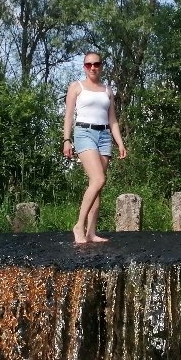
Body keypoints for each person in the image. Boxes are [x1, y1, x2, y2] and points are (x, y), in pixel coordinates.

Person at [63, 52, 127, 244]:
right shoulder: (76, 86)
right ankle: (79, 226)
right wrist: (66, 139)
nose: (93, 67)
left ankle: (91, 232)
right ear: (84, 66)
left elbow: (112, 120)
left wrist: (120, 142)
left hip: (105, 136)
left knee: (97, 186)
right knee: (98, 179)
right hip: (84, 133)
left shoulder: (107, 90)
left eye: (96, 64)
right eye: (89, 64)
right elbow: (68, 116)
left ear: (101, 66)